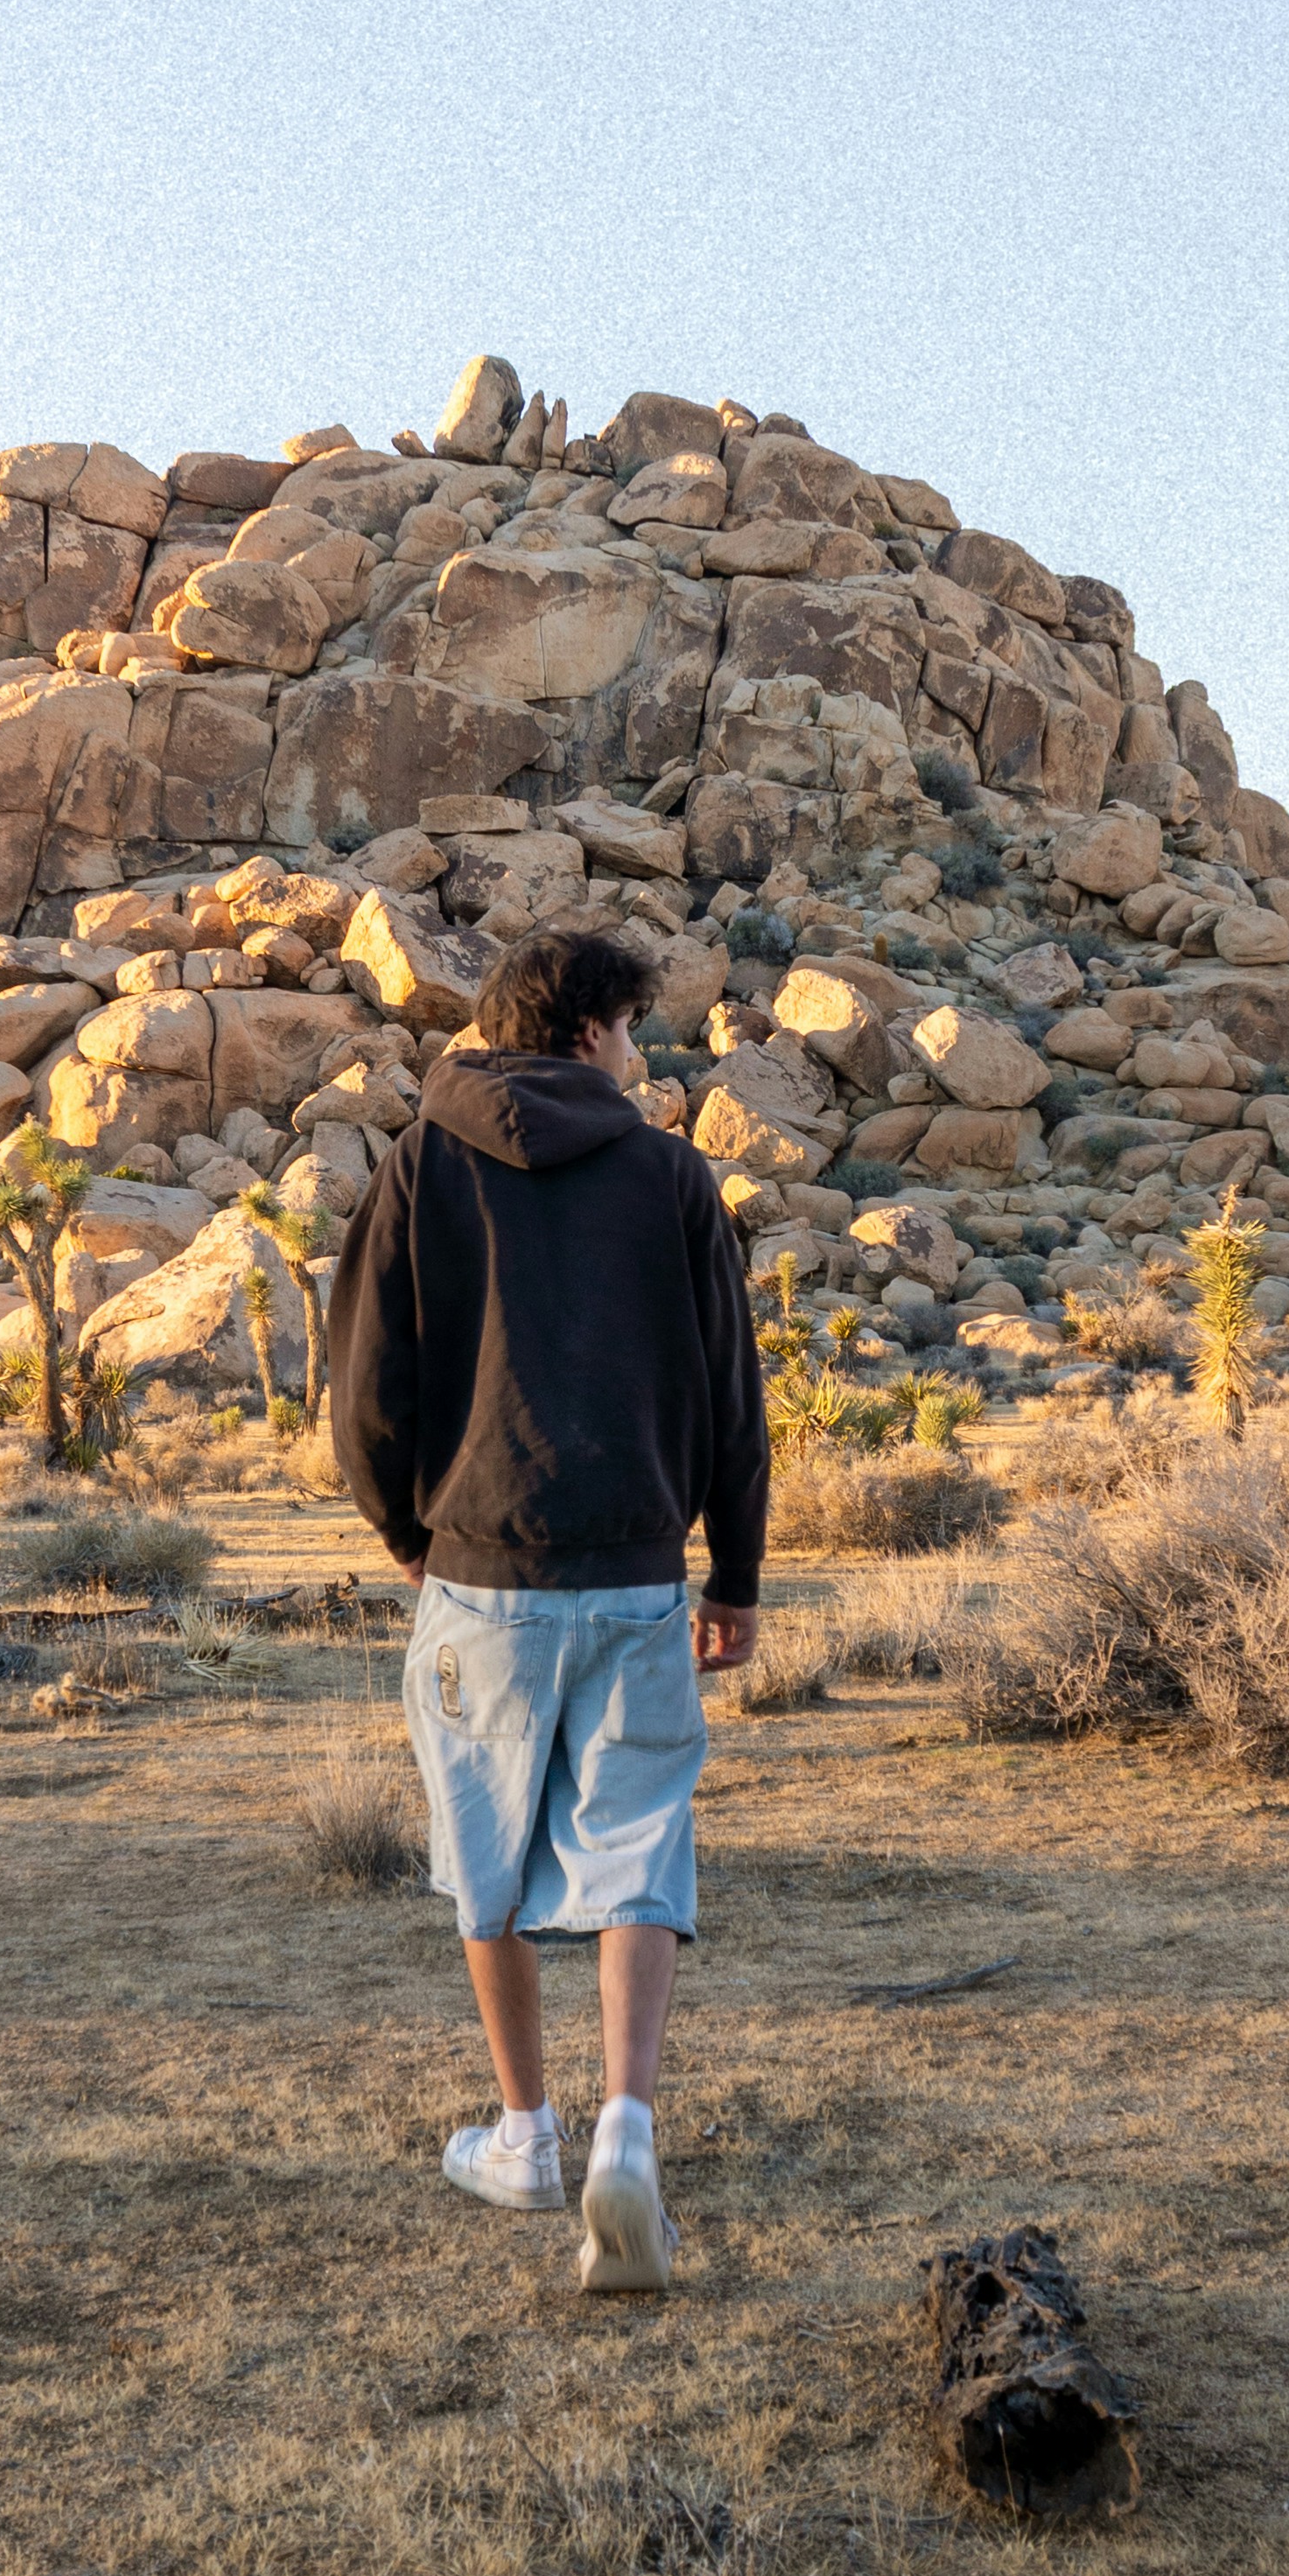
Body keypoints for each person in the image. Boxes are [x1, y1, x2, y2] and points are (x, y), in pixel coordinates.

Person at [327, 919, 768, 2296]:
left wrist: (407, 1531)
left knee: (487, 1852)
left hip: (479, 1574)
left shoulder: (421, 1163)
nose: (639, 1055)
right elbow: (731, 1392)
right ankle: (626, 2129)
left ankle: (526, 2133)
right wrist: (735, 1572)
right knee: (638, 1846)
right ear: (585, 1029)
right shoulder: (671, 1177)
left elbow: (365, 1382)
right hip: (635, 1568)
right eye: (630, 1029)